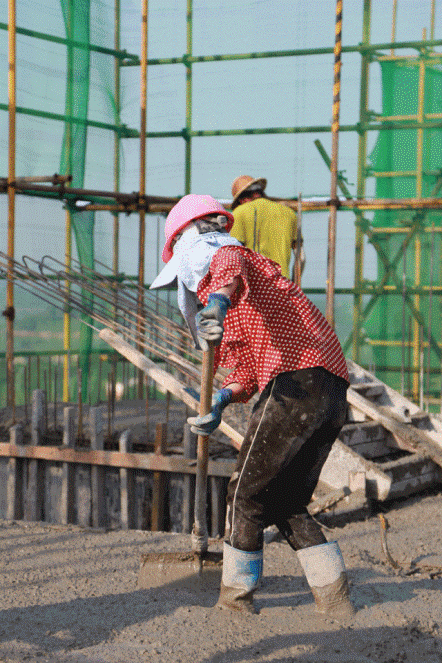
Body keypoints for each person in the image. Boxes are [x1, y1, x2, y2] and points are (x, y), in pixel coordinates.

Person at [150, 193, 354, 619]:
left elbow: (226, 268)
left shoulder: (228, 258)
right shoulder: (255, 296)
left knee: (243, 495)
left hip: (297, 383)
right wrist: (220, 402)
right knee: (285, 503)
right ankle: (336, 602)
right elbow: (245, 369)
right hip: (328, 390)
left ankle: (234, 604)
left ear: (188, 245)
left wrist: (218, 303)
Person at [230, 175, 304, 280]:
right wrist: (293, 283)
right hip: (283, 283)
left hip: (255, 284)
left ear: (242, 199)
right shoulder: (289, 213)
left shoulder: (239, 213)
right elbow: (301, 257)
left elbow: (234, 254)